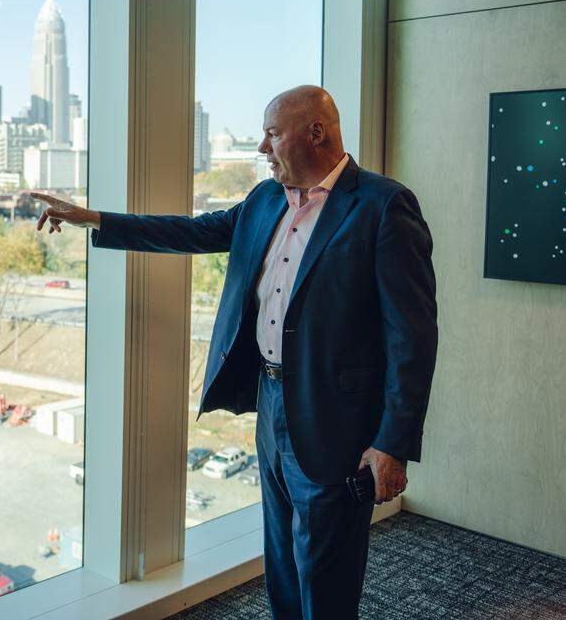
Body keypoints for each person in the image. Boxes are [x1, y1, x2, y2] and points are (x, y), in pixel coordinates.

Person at [32, 85, 437, 619]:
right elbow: (190, 232)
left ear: (315, 132)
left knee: (327, 568)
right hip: (271, 405)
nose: (262, 149)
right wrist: (96, 220)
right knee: (283, 563)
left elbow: (412, 336)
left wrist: (392, 443)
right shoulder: (264, 200)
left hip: (336, 418)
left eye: (272, 133)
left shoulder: (382, 206)